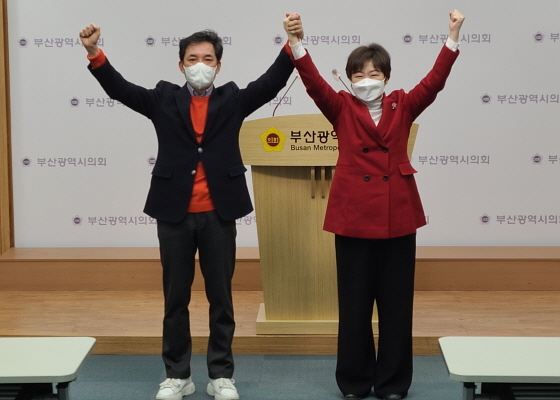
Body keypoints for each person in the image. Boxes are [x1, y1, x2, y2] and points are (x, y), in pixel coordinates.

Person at [79, 24, 297, 400]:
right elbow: (120, 89)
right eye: (192, 59)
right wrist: (94, 52)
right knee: (175, 298)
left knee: (221, 298)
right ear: (181, 65)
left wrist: (292, 45)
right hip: (174, 214)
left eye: (208, 59)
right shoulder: (163, 98)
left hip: (219, 213)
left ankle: (221, 375)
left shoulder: (232, 99)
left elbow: (270, 84)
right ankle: (177, 375)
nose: (200, 65)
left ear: (219, 65)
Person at [284, 11, 464, 400]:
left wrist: (452, 36)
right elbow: (313, 83)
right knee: (354, 306)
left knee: (397, 307)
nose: (367, 80)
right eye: (359, 74)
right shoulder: (340, 107)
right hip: (353, 217)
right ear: (350, 79)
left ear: (386, 77)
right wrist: (296, 43)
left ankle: (393, 383)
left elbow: (434, 82)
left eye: (374, 73)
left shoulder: (404, 104)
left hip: (398, 215)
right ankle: (354, 382)